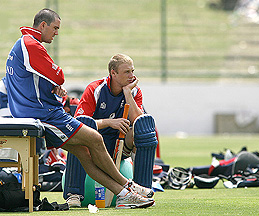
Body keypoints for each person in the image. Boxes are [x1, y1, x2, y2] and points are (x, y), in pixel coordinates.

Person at [5, 8, 155, 209]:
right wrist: (55, 79)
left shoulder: (22, 44)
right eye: (55, 28)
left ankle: (122, 195)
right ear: (43, 25)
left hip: (34, 111)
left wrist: (51, 87)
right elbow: (59, 74)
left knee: (85, 152)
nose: (56, 33)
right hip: (43, 114)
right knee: (95, 138)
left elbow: (32, 81)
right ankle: (129, 186)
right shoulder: (30, 44)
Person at [63, 53, 158, 207]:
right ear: (113, 73)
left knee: (144, 126)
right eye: (127, 72)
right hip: (93, 146)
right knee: (82, 123)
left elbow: (138, 121)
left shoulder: (134, 91)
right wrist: (109, 123)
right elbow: (78, 124)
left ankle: (141, 191)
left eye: (133, 71)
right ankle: (73, 194)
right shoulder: (95, 89)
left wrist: (128, 94)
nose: (132, 76)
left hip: (120, 145)